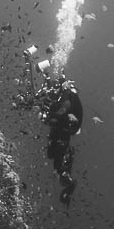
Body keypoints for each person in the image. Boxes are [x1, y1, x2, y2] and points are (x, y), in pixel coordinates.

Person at [36, 73, 83, 204]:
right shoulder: (59, 97)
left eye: (56, 87)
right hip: (60, 126)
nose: (54, 90)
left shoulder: (67, 96)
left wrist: (49, 117)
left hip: (65, 128)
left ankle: (69, 181)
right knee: (51, 154)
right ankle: (66, 164)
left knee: (57, 157)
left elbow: (64, 109)